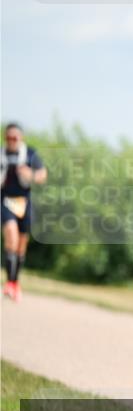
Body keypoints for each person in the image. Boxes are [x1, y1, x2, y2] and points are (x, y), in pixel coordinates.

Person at [1, 122, 47, 302]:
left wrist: (31, 175)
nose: (11, 141)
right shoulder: (1, 154)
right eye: (8, 137)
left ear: (21, 138)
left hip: (24, 202)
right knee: (10, 235)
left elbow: (43, 175)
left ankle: (15, 282)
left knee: (21, 245)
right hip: (5, 200)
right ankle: (9, 283)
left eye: (15, 137)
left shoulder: (30, 154)